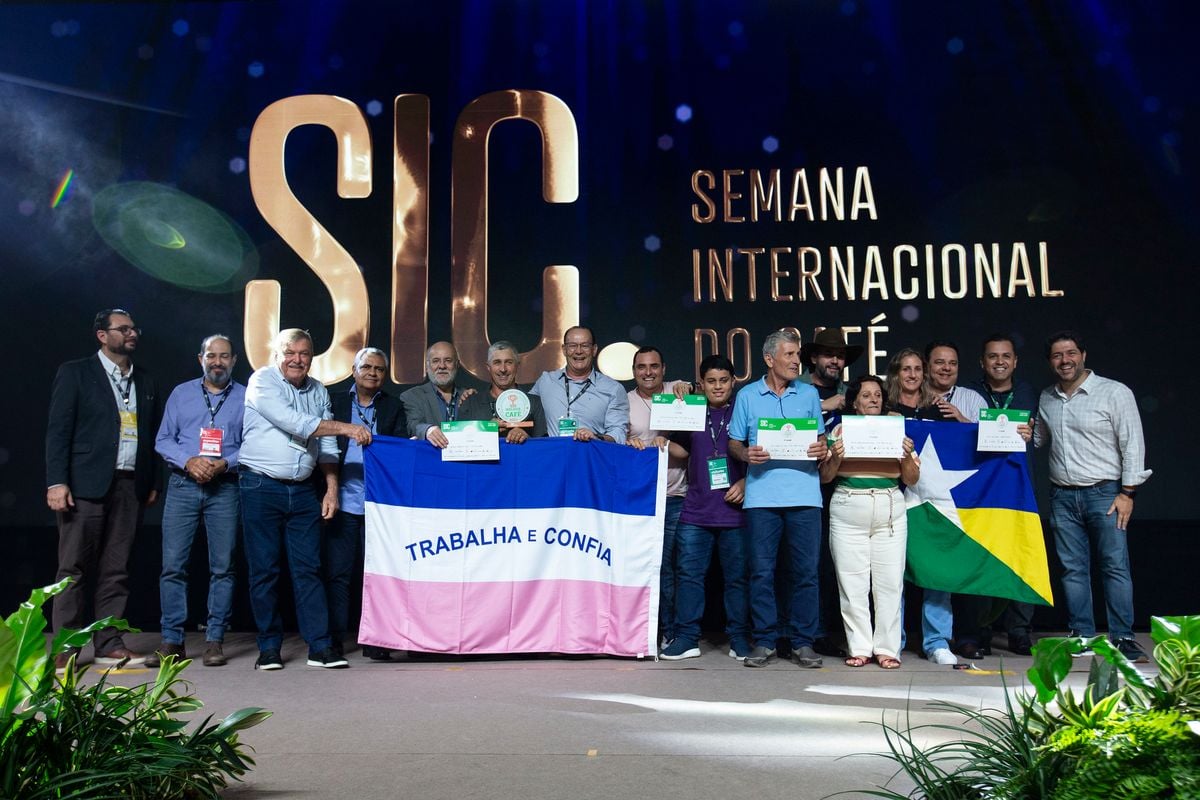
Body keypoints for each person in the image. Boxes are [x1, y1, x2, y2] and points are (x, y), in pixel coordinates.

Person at [239, 328, 372, 671]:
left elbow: (326, 447)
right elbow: (295, 423)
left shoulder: (318, 390)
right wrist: (346, 428)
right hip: (260, 487)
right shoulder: (262, 382)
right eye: (290, 352)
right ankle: (269, 648)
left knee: (310, 569)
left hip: (302, 490)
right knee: (265, 571)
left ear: (312, 357)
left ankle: (320, 647)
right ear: (277, 354)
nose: (297, 359)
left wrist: (331, 488)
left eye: (304, 353)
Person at [46, 308, 161, 670]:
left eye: (133, 329)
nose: (131, 334)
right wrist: (57, 481)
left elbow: (152, 435)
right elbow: (58, 431)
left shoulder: (144, 380)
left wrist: (152, 480)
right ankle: (67, 645)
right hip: (83, 484)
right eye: (122, 329)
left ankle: (108, 642)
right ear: (101, 335)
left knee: (117, 569)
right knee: (74, 568)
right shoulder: (75, 373)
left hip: (130, 485)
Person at [1034, 331, 1152, 663]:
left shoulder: (1114, 393)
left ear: (1083, 355)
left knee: (1114, 566)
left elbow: (1133, 445)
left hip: (1107, 495)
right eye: (1057, 355)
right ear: (1050, 362)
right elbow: (1040, 439)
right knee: (1072, 570)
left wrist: (1128, 492)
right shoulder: (1047, 397)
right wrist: (1022, 432)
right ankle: (1082, 634)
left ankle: (1124, 637)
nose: (1064, 360)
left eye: (1070, 353)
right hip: (1062, 496)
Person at [728, 329, 829, 668]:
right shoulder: (747, 396)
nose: (796, 360)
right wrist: (746, 456)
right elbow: (734, 443)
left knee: (806, 573)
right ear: (769, 359)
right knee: (760, 572)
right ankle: (766, 641)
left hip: (805, 496)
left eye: (797, 355)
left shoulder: (810, 394)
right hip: (762, 499)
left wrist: (822, 448)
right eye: (789, 355)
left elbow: (821, 442)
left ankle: (803, 642)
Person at [148, 334, 245, 668]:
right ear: (200, 358)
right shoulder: (181, 393)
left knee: (223, 566)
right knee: (173, 566)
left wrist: (226, 462)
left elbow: (253, 445)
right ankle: (172, 640)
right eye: (211, 356)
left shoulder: (248, 398)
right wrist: (189, 461)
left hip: (225, 487)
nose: (217, 362)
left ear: (234, 360)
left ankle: (215, 640)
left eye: (224, 356)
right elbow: (163, 440)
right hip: (183, 485)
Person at [820, 376, 919, 669]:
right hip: (848, 507)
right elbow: (825, 476)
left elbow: (912, 479)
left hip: (890, 507)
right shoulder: (838, 430)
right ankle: (860, 646)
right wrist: (835, 457)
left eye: (877, 395)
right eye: (866, 395)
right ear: (854, 402)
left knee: (889, 584)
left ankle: (888, 649)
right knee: (852, 584)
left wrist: (905, 458)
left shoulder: (896, 430)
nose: (874, 399)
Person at [955, 334, 1042, 657]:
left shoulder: (1029, 393)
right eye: (993, 356)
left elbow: (1043, 437)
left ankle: (1019, 631)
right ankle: (982, 630)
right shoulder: (970, 395)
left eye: (1006, 356)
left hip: (1020, 488)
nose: (1000, 361)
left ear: (1015, 361)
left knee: (1020, 559)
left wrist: (1033, 435)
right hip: (982, 492)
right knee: (984, 561)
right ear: (983, 362)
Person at [662, 355, 751, 660]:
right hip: (696, 509)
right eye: (710, 381)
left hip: (735, 512)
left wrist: (747, 484)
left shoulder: (744, 411)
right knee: (688, 576)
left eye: (723, 380)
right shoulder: (692, 410)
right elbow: (677, 449)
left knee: (737, 578)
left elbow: (762, 454)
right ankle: (686, 638)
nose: (717, 387)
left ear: (733, 381)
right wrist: (662, 429)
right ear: (701, 384)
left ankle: (739, 638)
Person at [325, 347, 408, 661]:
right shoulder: (334, 402)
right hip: (342, 500)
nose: (373, 373)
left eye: (379, 369)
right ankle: (333, 640)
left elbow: (399, 447)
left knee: (378, 574)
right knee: (339, 574)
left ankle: (377, 638)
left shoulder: (393, 406)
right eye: (367, 367)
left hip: (380, 506)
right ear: (353, 369)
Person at [800, 328, 865, 659]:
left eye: (839, 356)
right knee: (808, 564)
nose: (835, 360)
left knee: (836, 565)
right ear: (814, 358)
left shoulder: (853, 394)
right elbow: (782, 425)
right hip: (804, 485)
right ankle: (805, 632)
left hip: (846, 488)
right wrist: (825, 404)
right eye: (828, 355)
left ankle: (830, 631)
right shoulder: (797, 390)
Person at [625, 345, 690, 648]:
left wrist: (689, 386)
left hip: (677, 494)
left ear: (663, 369)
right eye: (641, 367)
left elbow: (701, 390)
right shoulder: (623, 403)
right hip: (642, 498)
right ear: (634, 371)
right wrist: (630, 442)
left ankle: (676, 631)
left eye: (653, 366)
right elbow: (614, 443)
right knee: (652, 567)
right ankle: (656, 631)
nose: (647, 372)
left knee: (679, 568)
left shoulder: (679, 393)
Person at [530, 326, 629, 443]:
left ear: (594, 350)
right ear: (564, 349)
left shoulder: (613, 389)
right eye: (572, 345)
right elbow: (526, 410)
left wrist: (597, 437)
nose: (578, 351)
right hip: (552, 457)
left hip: (590, 456)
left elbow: (618, 432)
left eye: (585, 345)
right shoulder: (545, 381)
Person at [458, 340, 547, 441]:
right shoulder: (470, 402)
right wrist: (486, 428)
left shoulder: (535, 403)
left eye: (509, 362)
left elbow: (544, 447)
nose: (503, 369)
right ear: (488, 367)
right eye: (497, 362)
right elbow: (461, 444)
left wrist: (528, 439)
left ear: (517, 365)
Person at [401, 341, 474, 448]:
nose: (442, 366)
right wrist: (427, 430)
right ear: (427, 366)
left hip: (465, 462)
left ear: (457, 365)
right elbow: (412, 424)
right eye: (435, 361)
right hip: (430, 461)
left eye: (448, 361)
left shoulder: (470, 396)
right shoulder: (411, 396)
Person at [885, 348, 940, 420]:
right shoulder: (885, 407)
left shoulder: (937, 407)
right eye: (906, 369)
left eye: (918, 369)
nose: (913, 375)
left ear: (924, 373)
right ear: (896, 374)